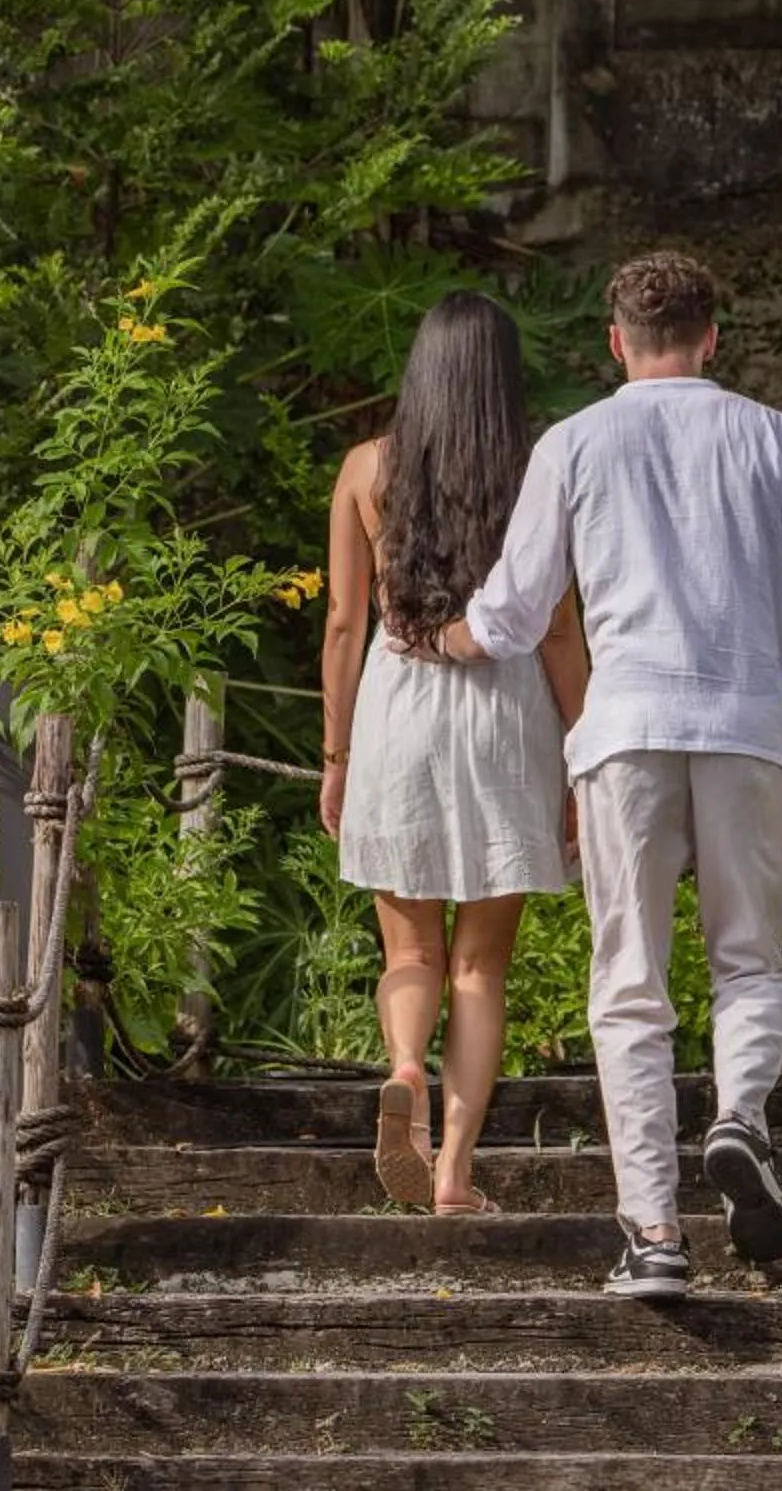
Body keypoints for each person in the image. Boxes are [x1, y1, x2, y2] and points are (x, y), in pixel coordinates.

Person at [425, 251, 782, 1300]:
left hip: (625, 730)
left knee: (630, 985)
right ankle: (738, 1116)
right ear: (713, 337)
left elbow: (513, 613)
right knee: (750, 960)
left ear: (615, 341)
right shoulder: (772, 435)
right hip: (750, 727)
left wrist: (437, 643)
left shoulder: (575, 442)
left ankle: (655, 1233)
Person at [319, 291, 589, 1215]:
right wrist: (580, 760)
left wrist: (337, 756)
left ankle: (403, 1067)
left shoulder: (366, 468)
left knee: (411, 949)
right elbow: (557, 633)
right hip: (506, 714)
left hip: (396, 708)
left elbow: (346, 622)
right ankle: (454, 1175)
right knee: (481, 966)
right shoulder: (537, 473)